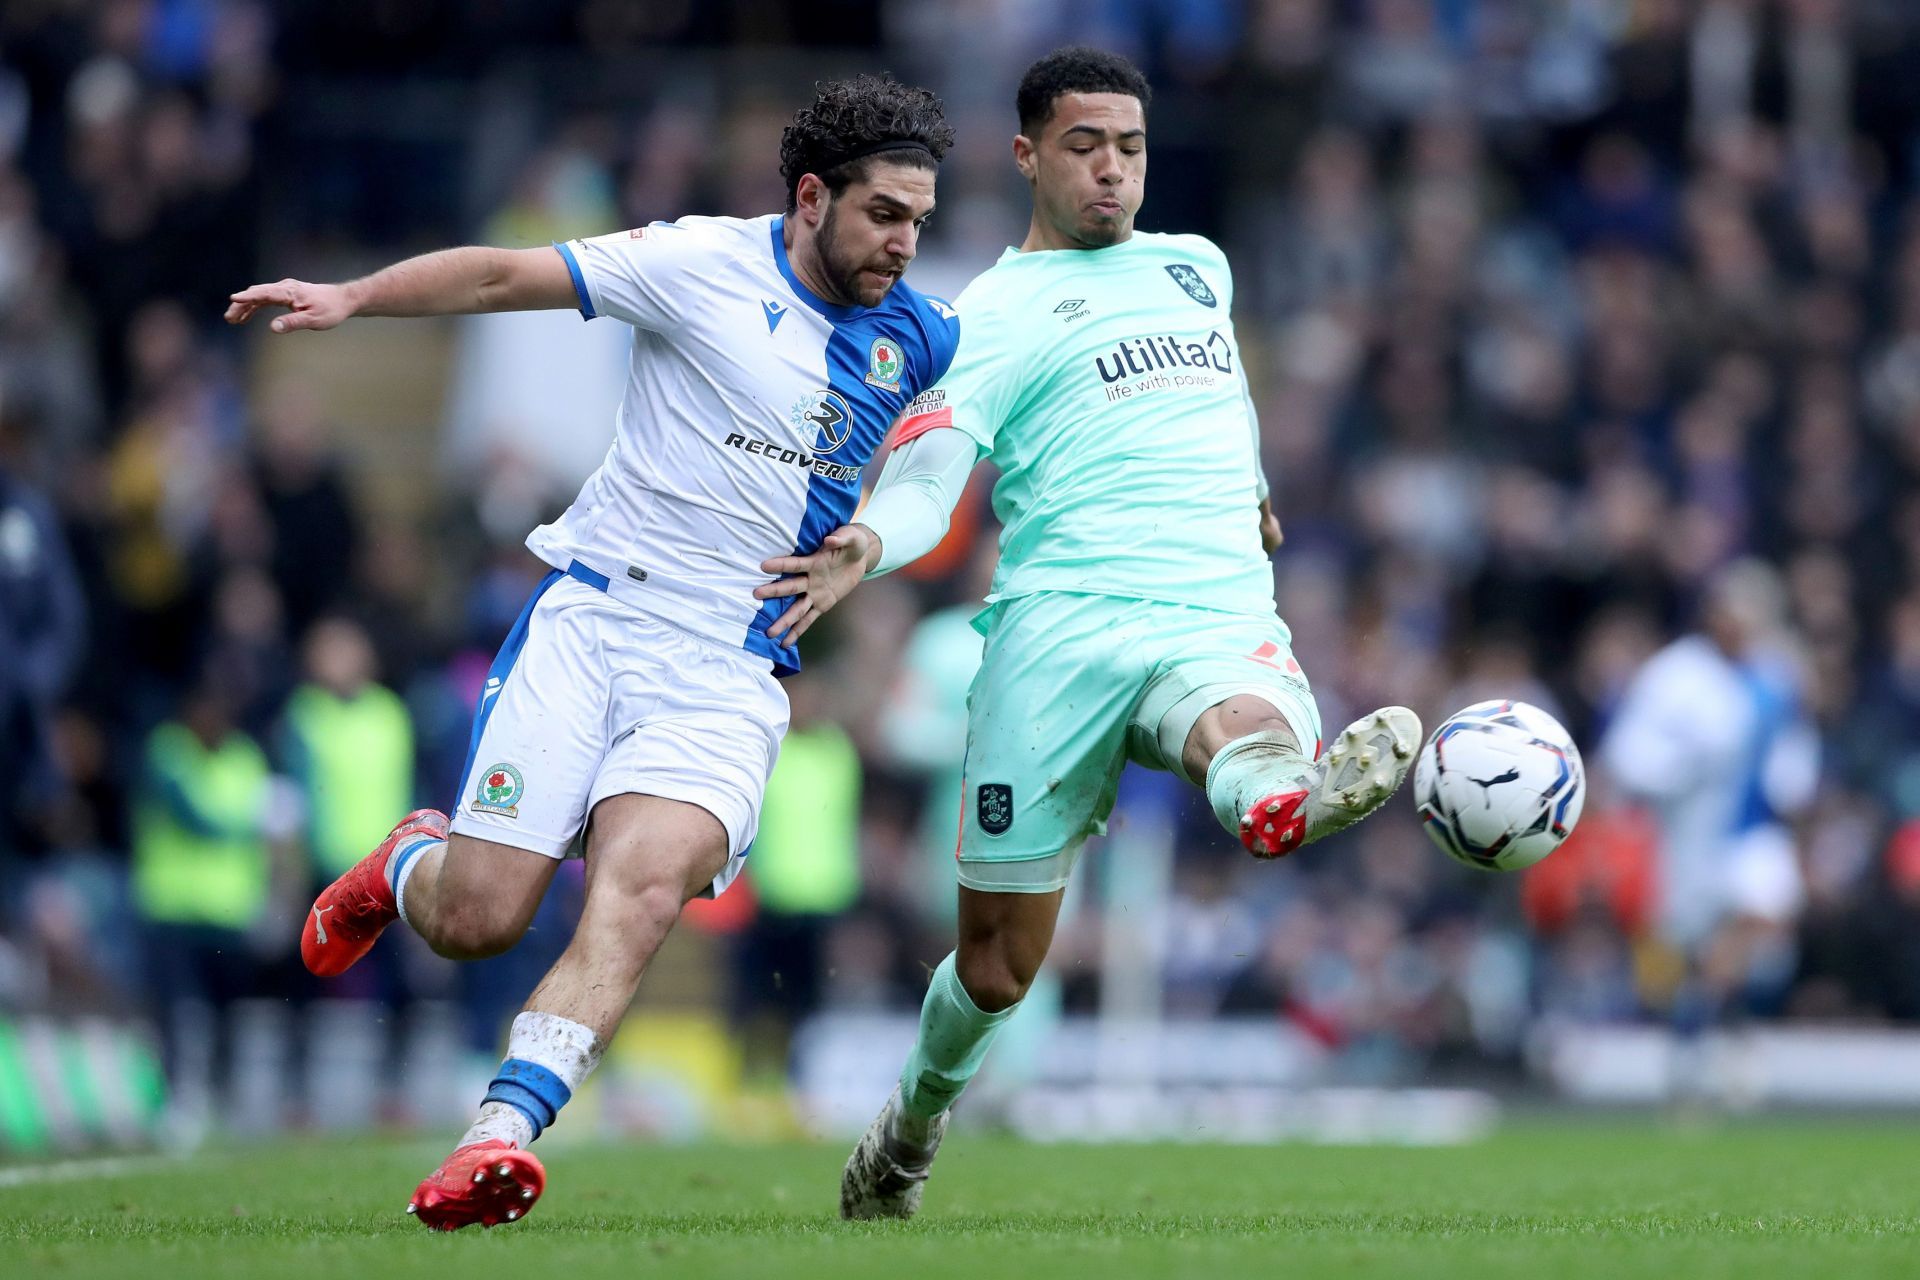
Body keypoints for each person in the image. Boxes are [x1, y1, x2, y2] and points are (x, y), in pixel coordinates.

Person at [223, 75, 958, 1230]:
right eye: (883, 214)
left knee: (643, 884)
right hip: (597, 623)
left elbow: (947, 458)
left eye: (920, 217)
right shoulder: (698, 263)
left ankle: (494, 1137)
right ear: (812, 196)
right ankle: (411, 860)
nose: (906, 243)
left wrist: (870, 537)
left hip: (728, 668)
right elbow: (501, 274)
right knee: (478, 917)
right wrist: (356, 294)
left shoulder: (920, 333)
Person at [754, 47, 1420, 1219]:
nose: (1113, 170)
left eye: (1131, 147)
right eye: (1083, 146)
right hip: (1058, 634)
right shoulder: (986, 315)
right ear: (1026, 157)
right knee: (1000, 965)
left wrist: (1255, 487)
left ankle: (1278, 798)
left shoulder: (1195, 268)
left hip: (1211, 603)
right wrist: (867, 541)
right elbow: (929, 474)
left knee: (1246, 727)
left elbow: (1228, 396)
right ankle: (907, 1132)